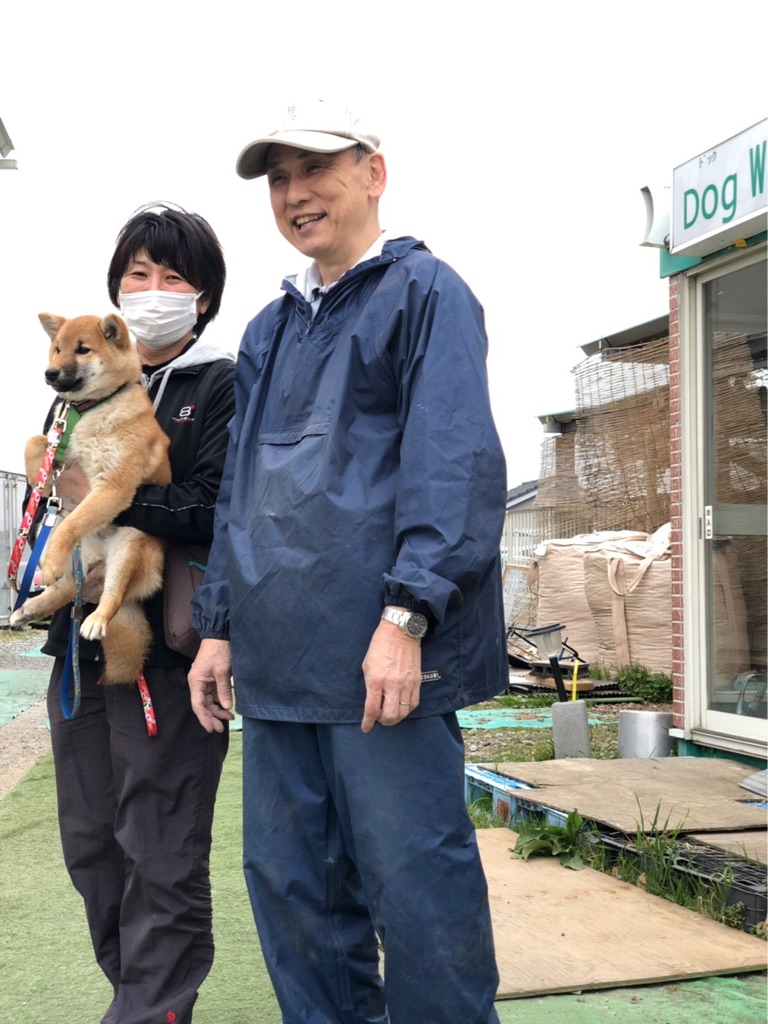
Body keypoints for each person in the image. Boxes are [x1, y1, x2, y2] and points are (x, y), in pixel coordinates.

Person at [188, 105, 507, 1024]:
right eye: (278, 179)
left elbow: (454, 464)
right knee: (295, 897)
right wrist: (219, 626)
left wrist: (407, 617)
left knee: (418, 893)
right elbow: (241, 489)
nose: (295, 194)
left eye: (314, 170)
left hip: (383, 661)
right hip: (280, 662)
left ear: (373, 173)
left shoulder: (426, 292)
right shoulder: (267, 329)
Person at [39, 203, 235, 1024]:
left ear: (203, 297)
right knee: (91, 845)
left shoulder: (221, 384)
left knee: (159, 846)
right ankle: (139, 1001)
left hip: (166, 650)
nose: (152, 288)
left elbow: (220, 506)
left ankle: (152, 1010)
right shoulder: (78, 391)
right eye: (137, 274)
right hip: (79, 645)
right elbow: (61, 496)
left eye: (173, 276)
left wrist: (112, 496)